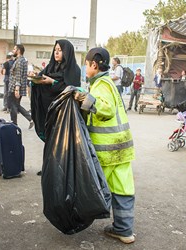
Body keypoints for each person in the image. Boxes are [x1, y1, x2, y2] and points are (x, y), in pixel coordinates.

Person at [74, 47, 135, 244]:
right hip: (122, 148)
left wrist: (85, 98)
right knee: (123, 188)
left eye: (86, 64)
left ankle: (75, 219)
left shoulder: (101, 85)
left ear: (94, 64)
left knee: (95, 188)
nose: (85, 67)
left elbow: (106, 109)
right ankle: (124, 230)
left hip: (107, 150)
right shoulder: (108, 83)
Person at [29, 39, 81, 175]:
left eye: (60, 50)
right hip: (49, 110)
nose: (56, 53)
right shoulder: (50, 67)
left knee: (63, 142)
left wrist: (53, 82)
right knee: (50, 140)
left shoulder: (74, 70)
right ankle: (48, 167)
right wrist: (35, 79)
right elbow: (41, 79)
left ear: (67, 52)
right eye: (55, 50)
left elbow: (70, 89)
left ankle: (62, 169)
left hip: (64, 112)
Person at [8, 44, 34, 128]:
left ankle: (14, 124)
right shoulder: (22, 60)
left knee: (13, 106)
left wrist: (16, 89)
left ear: (18, 50)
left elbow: (18, 75)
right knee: (16, 105)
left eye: (14, 49)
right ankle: (30, 119)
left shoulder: (19, 61)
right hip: (18, 87)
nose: (13, 50)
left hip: (15, 88)